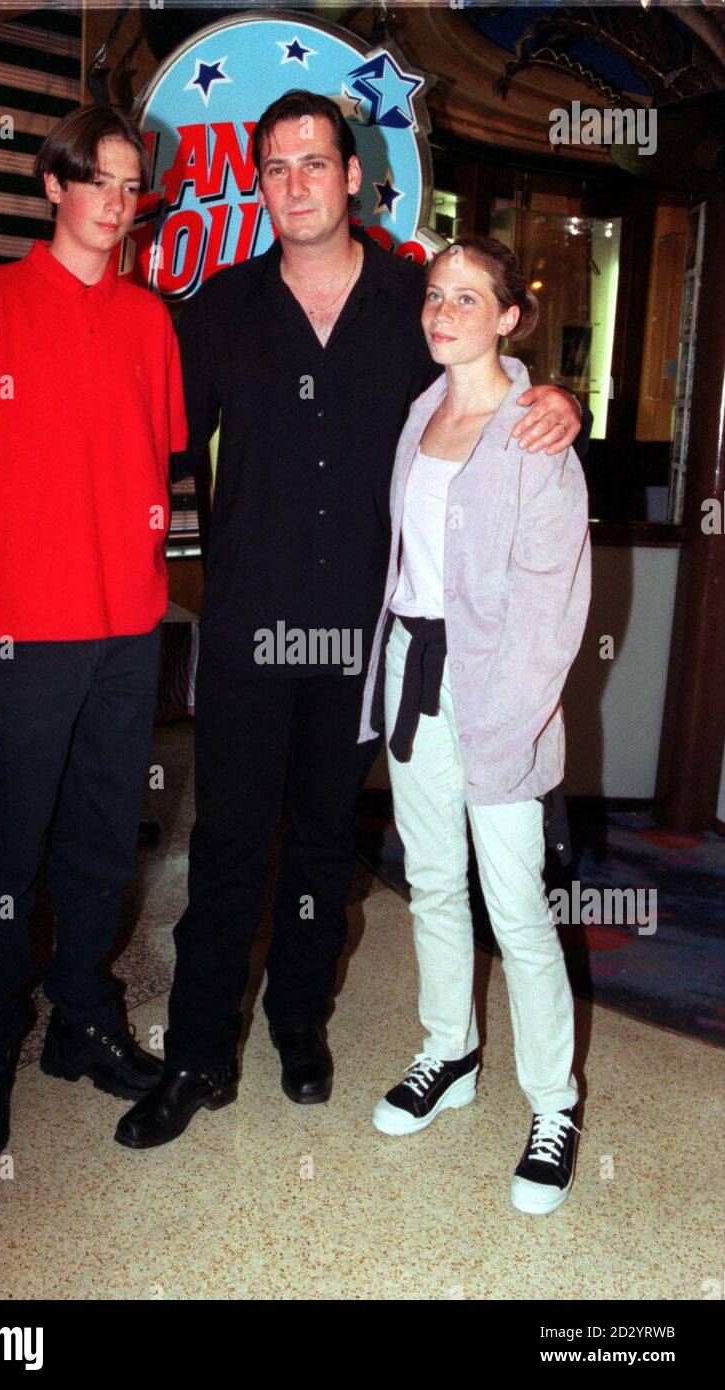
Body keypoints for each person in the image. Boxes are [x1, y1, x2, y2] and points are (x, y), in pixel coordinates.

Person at [116, 91, 587, 1152]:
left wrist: (566, 398)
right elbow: (140, 430)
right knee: (228, 843)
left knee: (325, 848)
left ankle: (296, 1027)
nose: (294, 184)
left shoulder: (408, 306)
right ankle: (197, 1053)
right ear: (260, 182)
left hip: (362, 647)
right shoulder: (220, 309)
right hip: (245, 626)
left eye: (312, 163)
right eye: (274, 167)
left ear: (350, 173)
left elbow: (492, 382)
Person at [0, 105, 188, 1161]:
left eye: (132, 187)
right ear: (55, 187)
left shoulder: (149, 318)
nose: (119, 205)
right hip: (18, 632)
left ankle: (80, 1020)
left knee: (95, 846)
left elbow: (158, 460)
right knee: (3, 855)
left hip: (128, 627)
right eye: (102, 183)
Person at [358, 236, 591, 1215]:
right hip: (414, 669)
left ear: (506, 317)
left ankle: (552, 1103)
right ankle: (447, 1050)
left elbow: (552, 606)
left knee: (519, 909)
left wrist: (504, 727)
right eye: (432, 294)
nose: (441, 311)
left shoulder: (536, 431)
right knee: (431, 883)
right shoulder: (421, 412)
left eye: (466, 298)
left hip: (499, 692)